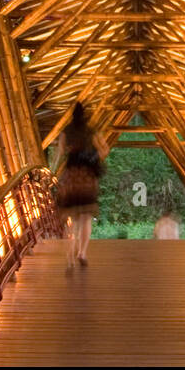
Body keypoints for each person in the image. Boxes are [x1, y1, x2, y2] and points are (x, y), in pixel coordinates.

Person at [54, 102, 104, 268]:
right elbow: (104, 149)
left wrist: (54, 172)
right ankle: (82, 253)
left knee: (72, 218)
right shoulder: (91, 131)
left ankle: (70, 255)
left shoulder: (67, 131)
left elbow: (60, 153)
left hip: (71, 176)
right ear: (85, 115)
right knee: (86, 217)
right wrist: (94, 157)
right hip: (87, 177)